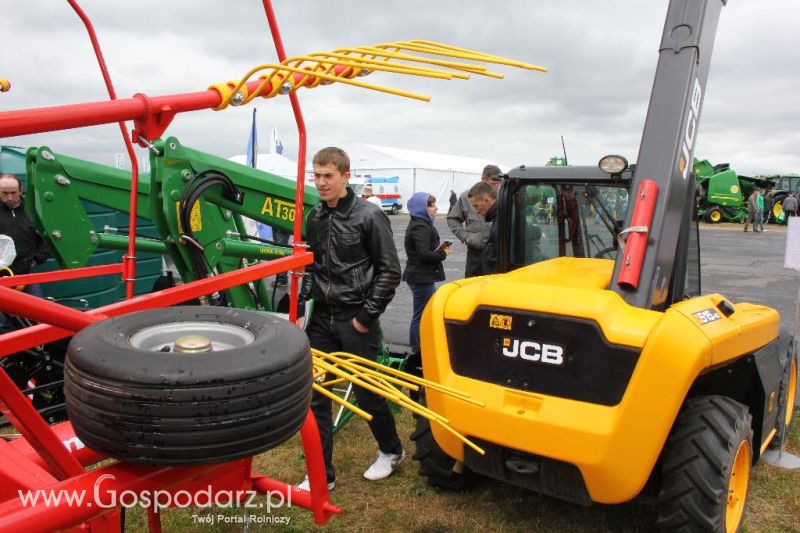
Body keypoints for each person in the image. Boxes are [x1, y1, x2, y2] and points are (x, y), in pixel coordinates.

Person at [297, 147, 403, 491]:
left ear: (345, 175)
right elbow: (311, 266)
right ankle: (320, 475)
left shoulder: (369, 216)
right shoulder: (314, 217)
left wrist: (365, 317)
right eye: (317, 175)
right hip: (321, 319)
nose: (322, 182)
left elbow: (390, 271)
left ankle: (391, 450)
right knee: (315, 394)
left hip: (355, 319)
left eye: (328, 175)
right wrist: (304, 299)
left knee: (367, 390)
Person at [0, 173, 51, 332]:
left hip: (26, 274)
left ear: (21, 190)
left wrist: (35, 259)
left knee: (40, 315)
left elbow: (47, 241)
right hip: (1, 277)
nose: (9, 197)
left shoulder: (33, 212)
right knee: (4, 323)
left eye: (13, 193)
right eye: (4, 193)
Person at [402, 192, 450, 357]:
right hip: (420, 277)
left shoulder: (422, 224)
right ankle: (417, 348)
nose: (436, 207)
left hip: (421, 276)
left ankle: (420, 345)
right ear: (421, 208)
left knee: (423, 312)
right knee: (421, 314)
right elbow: (424, 254)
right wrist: (442, 254)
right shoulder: (420, 226)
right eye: (431, 205)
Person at [447, 164, 501, 277]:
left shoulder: (503, 196)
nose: (495, 188)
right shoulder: (466, 197)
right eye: (492, 184)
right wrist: (465, 237)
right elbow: (452, 218)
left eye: (498, 184)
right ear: (483, 179)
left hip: (496, 256)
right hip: (476, 254)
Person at [468, 181, 499, 274]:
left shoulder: (500, 221)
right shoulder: (499, 216)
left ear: (486, 200)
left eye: (476, 206)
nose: (476, 211)